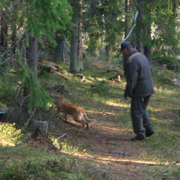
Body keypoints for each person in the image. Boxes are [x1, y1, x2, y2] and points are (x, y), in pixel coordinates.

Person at [120, 41, 155, 141]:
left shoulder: (132, 60)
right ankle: (149, 128)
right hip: (149, 88)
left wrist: (127, 92)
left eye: (123, 52)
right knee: (142, 109)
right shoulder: (141, 56)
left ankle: (140, 133)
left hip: (140, 89)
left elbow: (132, 78)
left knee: (136, 112)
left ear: (126, 50)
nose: (123, 54)